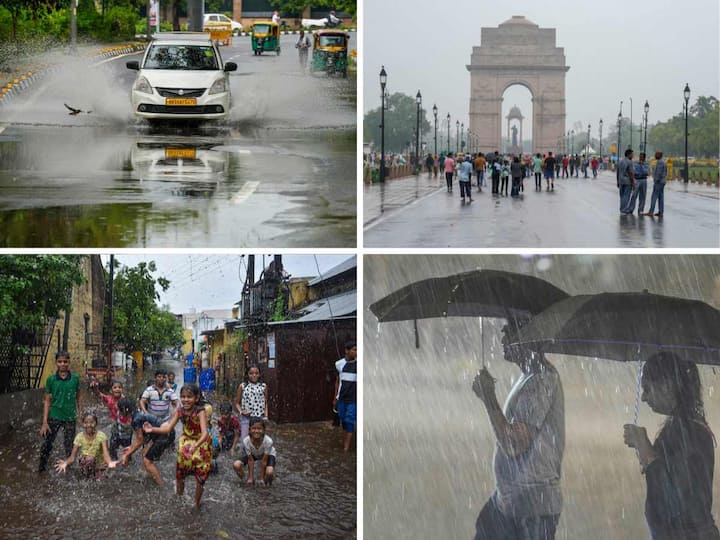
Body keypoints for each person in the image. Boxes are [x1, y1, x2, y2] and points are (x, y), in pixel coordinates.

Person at [472, 318, 565, 540]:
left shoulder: (542, 380)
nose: (503, 339)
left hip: (531, 508)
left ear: (530, 338)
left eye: (510, 332)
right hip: (510, 503)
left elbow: (514, 444)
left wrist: (489, 399)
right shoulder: (529, 376)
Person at [623, 352, 720, 540]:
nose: (643, 398)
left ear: (667, 386)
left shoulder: (691, 432)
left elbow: (674, 498)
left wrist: (645, 447)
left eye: (647, 389)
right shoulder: (682, 426)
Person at [144, 384, 212, 508]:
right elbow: (168, 428)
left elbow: (205, 433)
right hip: (186, 444)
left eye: (189, 397)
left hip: (201, 444)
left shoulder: (200, 411)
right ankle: (179, 499)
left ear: (196, 399)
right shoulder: (180, 411)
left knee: (200, 476)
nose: (185, 400)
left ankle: (196, 504)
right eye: (183, 397)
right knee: (180, 474)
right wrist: (152, 429)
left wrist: (196, 445)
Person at [38, 351, 80, 473]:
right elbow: (46, 401)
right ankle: (41, 470)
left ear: (69, 362)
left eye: (65, 361)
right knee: (47, 444)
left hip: (70, 417)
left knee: (69, 446)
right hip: (54, 416)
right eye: (60, 361)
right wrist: (44, 422)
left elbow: (78, 396)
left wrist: (80, 413)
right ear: (56, 363)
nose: (63, 364)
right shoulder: (51, 380)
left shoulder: (75, 378)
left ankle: (69, 470)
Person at [120, 400, 172, 485]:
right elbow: (141, 438)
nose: (119, 413)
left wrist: (127, 454)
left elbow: (139, 440)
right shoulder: (138, 414)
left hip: (163, 435)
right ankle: (148, 475)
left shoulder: (135, 419)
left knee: (147, 461)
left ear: (124, 410)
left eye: (120, 410)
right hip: (164, 433)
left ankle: (161, 484)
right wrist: (131, 447)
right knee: (145, 452)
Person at [55, 412, 118, 478]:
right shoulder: (79, 437)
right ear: (82, 424)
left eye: (91, 422)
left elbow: (106, 454)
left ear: (96, 423)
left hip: (99, 466)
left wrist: (110, 462)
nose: (88, 425)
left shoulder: (102, 436)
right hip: (86, 463)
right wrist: (65, 463)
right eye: (85, 423)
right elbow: (72, 457)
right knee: (89, 460)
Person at [233, 417, 276, 486]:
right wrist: (250, 478)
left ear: (264, 430)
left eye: (259, 429)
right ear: (249, 430)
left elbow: (264, 461)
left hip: (267, 455)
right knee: (236, 465)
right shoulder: (246, 441)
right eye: (254, 428)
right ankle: (244, 479)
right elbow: (250, 460)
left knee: (269, 472)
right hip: (254, 454)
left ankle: (269, 482)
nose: (256, 431)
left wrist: (261, 478)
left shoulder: (268, 441)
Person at [140, 369, 179, 443]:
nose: (161, 379)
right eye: (159, 376)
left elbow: (177, 402)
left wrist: (175, 410)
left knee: (170, 439)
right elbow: (142, 401)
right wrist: (145, 412)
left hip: (165, 420)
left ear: (166, 378)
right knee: (148, 439)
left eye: (164, 377)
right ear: (155, 378)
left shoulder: (170, 391)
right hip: (152, 419)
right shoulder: (149, 390)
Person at [90, 378, 125, 459]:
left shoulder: (124, 400)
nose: (117, 389)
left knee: (126, 446)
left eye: (119, 387)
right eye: (115, 387)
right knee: (113, 445)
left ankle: (127, 461)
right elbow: (99, 394)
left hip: (124, 427)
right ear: (111, 390)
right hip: (114, 426)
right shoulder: (109, 399)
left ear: (122, 389)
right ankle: (113, 460)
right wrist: (95, 387)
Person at [235, 364, 269, 442]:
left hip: (259, 418)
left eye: (256, 373)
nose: (254, 375)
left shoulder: (263, 386)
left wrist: (266, 416)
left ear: (259, 374)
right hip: (246, 418)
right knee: (245, 441)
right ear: (247, 374)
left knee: (258, 441)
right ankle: (244, 454)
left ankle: (257, 454)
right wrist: (242, 412)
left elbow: (266, 402)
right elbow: (237, 403)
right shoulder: (242, 386)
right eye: (251, 373)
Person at [334, 341, 357, 452]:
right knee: (343, 420)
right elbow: (337, 381)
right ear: (347, 351)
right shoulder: (339, 364)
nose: (356, 352)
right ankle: (345, 443)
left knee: (349, 421)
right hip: (341, 398)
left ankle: (346, 448)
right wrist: (335, 398)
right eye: (354, 350)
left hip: (353, 399)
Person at [643, 151, 667, 217]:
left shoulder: (660, 162)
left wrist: (656, 180)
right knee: (661, 197)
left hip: (659, 182)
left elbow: (658, 173)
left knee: (654, 196)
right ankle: (661, 212)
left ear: (659, 155)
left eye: (656, 154)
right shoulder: (663, 162)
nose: (655, 155)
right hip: (662, 182)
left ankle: (651, 211)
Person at [617, 148, 635, 213]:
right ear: (629, 154)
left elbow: (618, 172)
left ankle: (621, 208)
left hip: (621, 181)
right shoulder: (630, 162)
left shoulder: (620, 161)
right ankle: (624, 209)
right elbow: (631, 173)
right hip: (627, 181)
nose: (633, 156)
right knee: (626, 196)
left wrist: (618, 181)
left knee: (622, 196)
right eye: (632, 154)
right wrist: (633, 183)